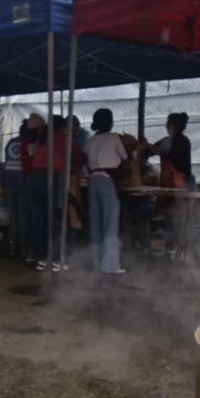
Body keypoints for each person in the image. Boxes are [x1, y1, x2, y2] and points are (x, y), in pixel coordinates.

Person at [26, 114, 80, 271]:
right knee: (55, 219)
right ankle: (56, 259)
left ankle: (42, 258)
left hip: (34, 178)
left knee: (38, 220)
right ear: (61, 127)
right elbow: (78, 155)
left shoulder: (41, 138)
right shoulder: (62, 138)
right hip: (49, 178)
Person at [86, 108, 130, 274]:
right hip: (107, 181)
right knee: (110, 224)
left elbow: (86, 161)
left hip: (93, 181)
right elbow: (125, 158)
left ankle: (96, 262)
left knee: (95, 224)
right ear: (110, 122)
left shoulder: (90, 141)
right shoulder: (114, 138)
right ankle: (110, 265)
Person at [2, 115, 42, 259]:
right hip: (23, 182)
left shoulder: (10, 142)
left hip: (8, 181)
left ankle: (14, 247)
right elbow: (31, 163)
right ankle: (25, 247)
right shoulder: (30, 143)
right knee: (24, 216)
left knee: (13, 216)